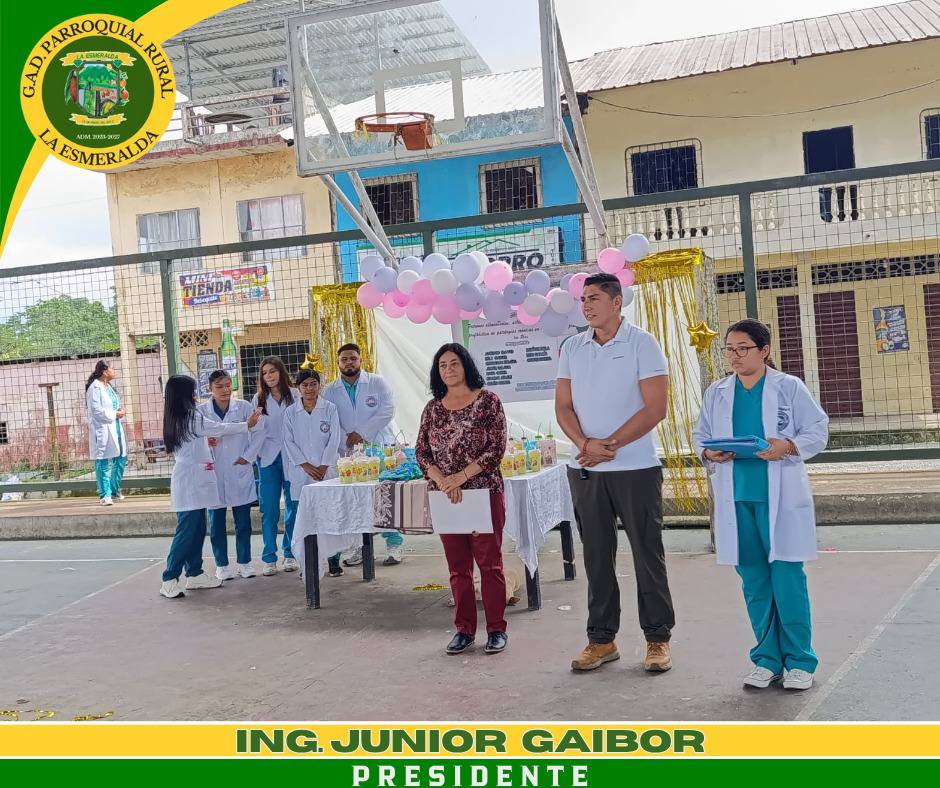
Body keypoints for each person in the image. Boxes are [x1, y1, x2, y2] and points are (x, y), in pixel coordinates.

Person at [693, 319, 828, 691]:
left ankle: (800, 660)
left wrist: (788, 446)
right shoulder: (718, 392)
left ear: (764, 350)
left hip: (780, 497)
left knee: (787, 580)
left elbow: (818, 429)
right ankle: (767, 659)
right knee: (754, 581)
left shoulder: (788, 387)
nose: (735, 356)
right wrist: (708, 452)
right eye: (729, 349)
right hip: (737, 497)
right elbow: (701, 434)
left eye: (743, 348)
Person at [555, 272, 676, 673]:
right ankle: (601, 639)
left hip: (636, 467)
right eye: (583, 299)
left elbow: (656, 407)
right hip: (587, 468)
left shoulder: (642, 343)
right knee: (596, 557)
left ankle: (657, 638)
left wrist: (611, 445)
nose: (586, 305)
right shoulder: (572, 347)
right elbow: (563, 406)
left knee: (647, 553)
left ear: (616, 301)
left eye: (593, 298)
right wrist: (585, 445)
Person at [416, 343, 509, 656]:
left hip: (483, 492)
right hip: (446, 496)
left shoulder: (488, 401)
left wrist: (460, 477)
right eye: (442, 365)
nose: (448, 370)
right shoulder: (432, 409)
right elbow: (422, 453)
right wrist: (444, 480)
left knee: (490, 564)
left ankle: (496, 629)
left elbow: (495, 449)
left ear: (466, 365)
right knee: (458, 568)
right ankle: (464, 630)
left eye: (454, 363)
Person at [160, 375, 261, 599]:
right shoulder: (191, 415)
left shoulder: (180, 415)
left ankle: (194, 573)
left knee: (197, 529)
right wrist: (246, 425)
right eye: (192, 390)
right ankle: (169, 577)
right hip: (190, 480)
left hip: (196, 478)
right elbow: (219, 428)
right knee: (187, 531)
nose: (195, 394)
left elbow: (203, 437)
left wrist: (208, 441)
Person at [322, 343, 404, 567]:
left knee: (383, 497)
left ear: (360, 360)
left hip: (377, 447)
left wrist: (362, 433)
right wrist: (347, 438)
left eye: (353, 358)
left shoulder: (377, 382)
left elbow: (387, 410)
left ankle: (394, 544)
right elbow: (329, 420)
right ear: (338, 363)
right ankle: (359, 546)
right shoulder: (330, 390)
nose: (349, 362)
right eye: (344, 359)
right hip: (348, 452)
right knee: (355, 500)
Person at [199, 369, 263, 581]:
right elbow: (196, 437)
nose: (225, 390)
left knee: (243, 522)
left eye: (228, 385)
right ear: (210, 388)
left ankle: (245, 563)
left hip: (239, 469)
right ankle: (222, 565)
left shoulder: (244, 407)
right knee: (216, 523)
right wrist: (206, 442)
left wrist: (247, 457)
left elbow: (259, 433)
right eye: (219, 387)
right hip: (214, 472)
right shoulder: (201, 411)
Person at [283, 369, 341, 574]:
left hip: (326, 472)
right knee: (304, 517)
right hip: (301, 472)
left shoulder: (330, 409)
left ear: (319, 385)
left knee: (330, 514)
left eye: (313, 384)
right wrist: (306, 465)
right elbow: (288, 442)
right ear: (298, 388)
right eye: (305, 385)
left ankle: (333, 559)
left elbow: (334, 438)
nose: (309, 389)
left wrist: (324, 465)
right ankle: (306, 561)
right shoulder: (290, 412)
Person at [251, 356, 300, 576]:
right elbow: (255, 430)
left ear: (281, 372)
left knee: (293, 506)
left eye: (272, 371)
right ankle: (269, 557)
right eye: (264, 373)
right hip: (268, 459)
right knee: (269, 510)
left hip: (293, 457)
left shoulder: (296, 395)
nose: (268, 376)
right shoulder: (259, 399)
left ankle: (290, 554)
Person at [85, 360, 128, 506]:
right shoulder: (95, 388)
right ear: (104, 372)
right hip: (102, 429)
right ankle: (105, 495)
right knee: (102, 459)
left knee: (121, 457)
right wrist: (115, 414)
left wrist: (119, 411)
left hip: (115, 427)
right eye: (111, 368)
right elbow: (96, 411)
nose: (113, 371)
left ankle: (114, 489)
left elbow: (112, 405)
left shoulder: (108, 386)